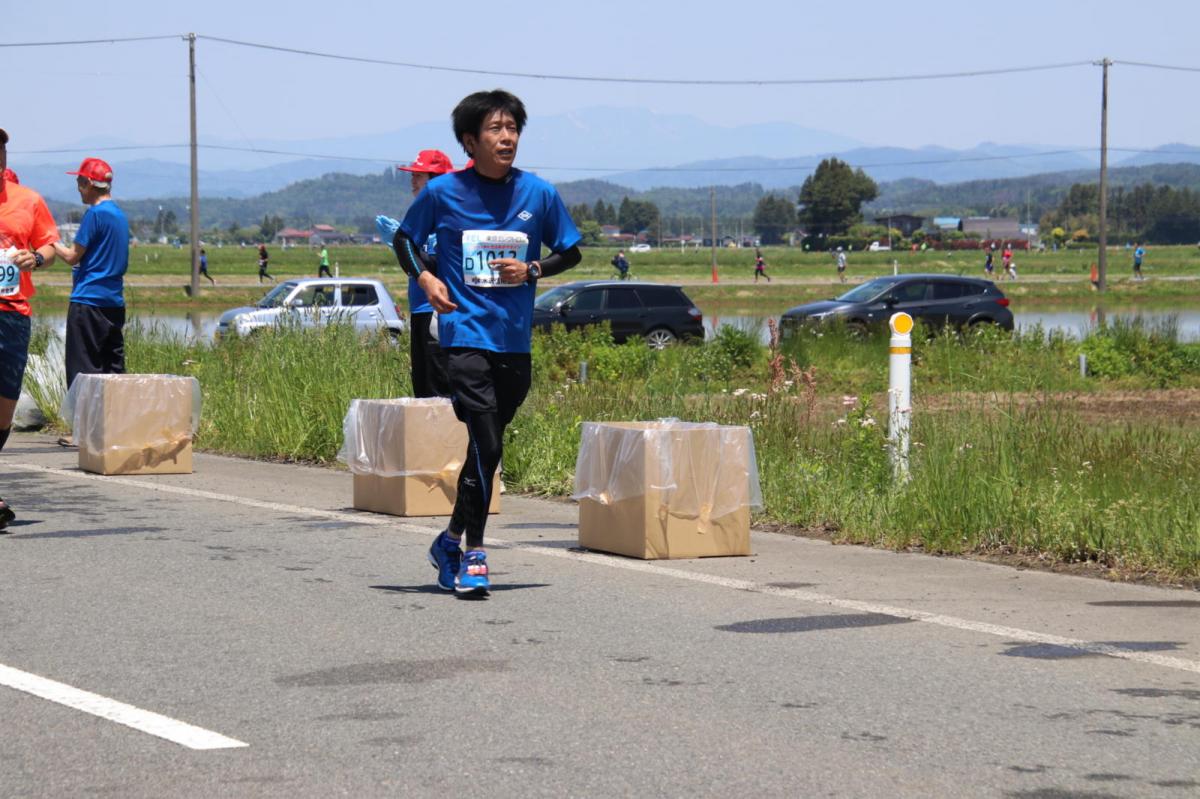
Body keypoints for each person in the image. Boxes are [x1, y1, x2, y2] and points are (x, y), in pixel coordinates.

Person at [391, 89, 581, 595]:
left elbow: (571, 252)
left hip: (514, 340)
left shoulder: (539, 193)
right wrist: (427, 278)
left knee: (485, 449)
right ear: (470, 141)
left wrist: (532, 268)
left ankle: (449, 540)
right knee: (489, 442)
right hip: (464, 335)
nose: (507, 137)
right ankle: (475, 553)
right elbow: (404, 240)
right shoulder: (443, 192)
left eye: (512, 128)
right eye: (495, 129)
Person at [0, 127, 60, 530]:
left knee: (4, 409)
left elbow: (50, 246)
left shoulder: (28, 200)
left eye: (0, 148)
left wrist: (35, 258)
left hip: (12, 314)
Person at [378, 148, 456, 398]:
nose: (412, 180)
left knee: (438, 391)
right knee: (422, 388)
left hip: (438, 313)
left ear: (436, 180)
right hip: (420, 311)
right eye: (412, 174)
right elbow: (415, 268)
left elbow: (441, 267)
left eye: (419, 175)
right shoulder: (422, 218)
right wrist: (403, 250)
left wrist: (411, 248)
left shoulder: (449, 217)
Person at [51, 158, 128, 394]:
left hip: (88, 303)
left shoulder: (95, 214)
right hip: (114, 303)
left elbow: (72, 256)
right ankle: (115, 415)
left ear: (89, 184)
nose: (78, 187)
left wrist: (49, 241)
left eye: (79, 182)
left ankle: (85, 418)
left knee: (83, 374)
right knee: (113, 372)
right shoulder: (119, 214)